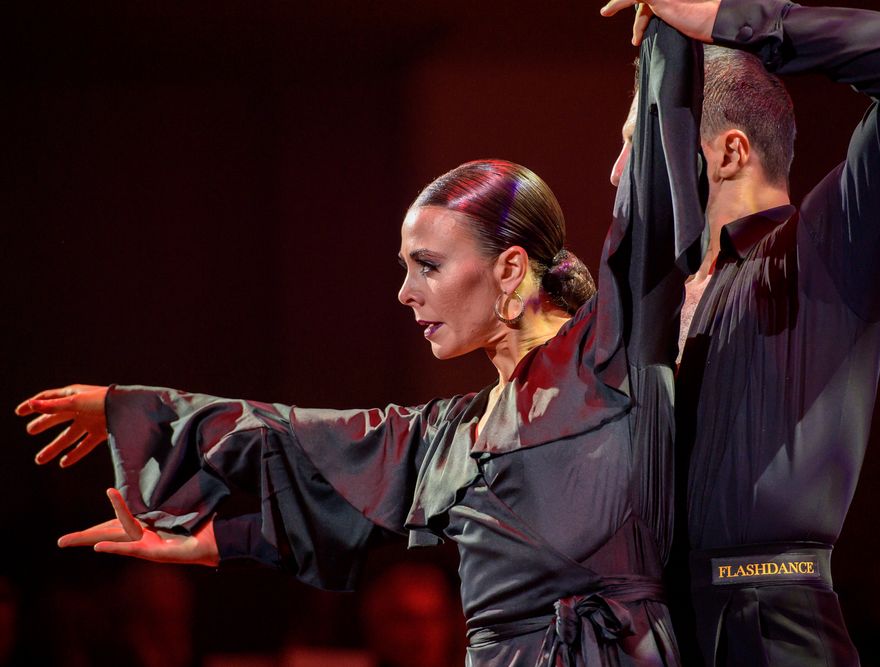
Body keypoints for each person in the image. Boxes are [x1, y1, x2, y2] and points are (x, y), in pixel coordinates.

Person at [15, 21, 707, 663]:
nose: (406, 293)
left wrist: (667, 33)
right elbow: (308, 444)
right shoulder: (453, 433)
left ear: (511, 267)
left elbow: (651, 194)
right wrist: (155, 459)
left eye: (427, 266)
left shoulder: (611, 354)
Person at [599, 0, 880, 665]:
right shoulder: (652, 304)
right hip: (661, 635)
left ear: (730, 152)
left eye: (637, 142)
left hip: (773, 628)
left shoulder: (825, 253)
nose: (616, 172)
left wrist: (733, 17)